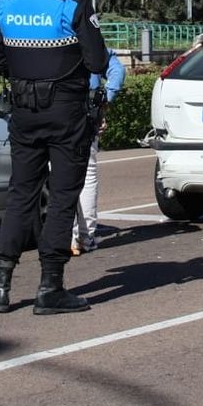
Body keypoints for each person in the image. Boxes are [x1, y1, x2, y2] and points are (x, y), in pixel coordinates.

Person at [0, 0, 109, 315]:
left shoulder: (5, 0)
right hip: (65, 112)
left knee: (21, 193)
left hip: (23, 110)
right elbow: (98, 61)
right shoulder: (73, 2)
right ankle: (50, 287)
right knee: (63, 195)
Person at [73, 49, 126, 255]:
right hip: (84, 112)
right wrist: (104, 101)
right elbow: (117, 70)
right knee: (86, 175)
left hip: (45, 111)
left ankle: (62, 236)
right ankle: (85, 237)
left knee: (55, 175)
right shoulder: (88, 40)